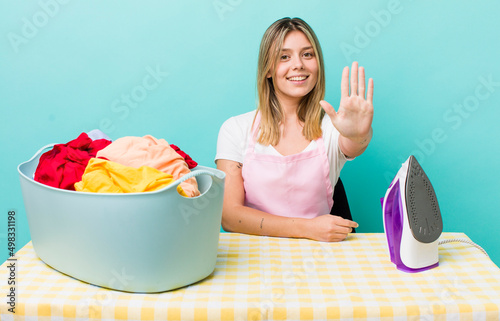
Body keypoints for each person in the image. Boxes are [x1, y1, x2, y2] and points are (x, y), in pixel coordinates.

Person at [215, 17, 374, 242]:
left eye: (307, 54)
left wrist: (359, 135)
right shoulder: (235, 129)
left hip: (320, 257)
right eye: (284, 57)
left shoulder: (332, 128)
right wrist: (307, 228)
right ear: (268, 69)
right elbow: (230, 217)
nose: (298, 64)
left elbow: (353, 145)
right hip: (254, 258)